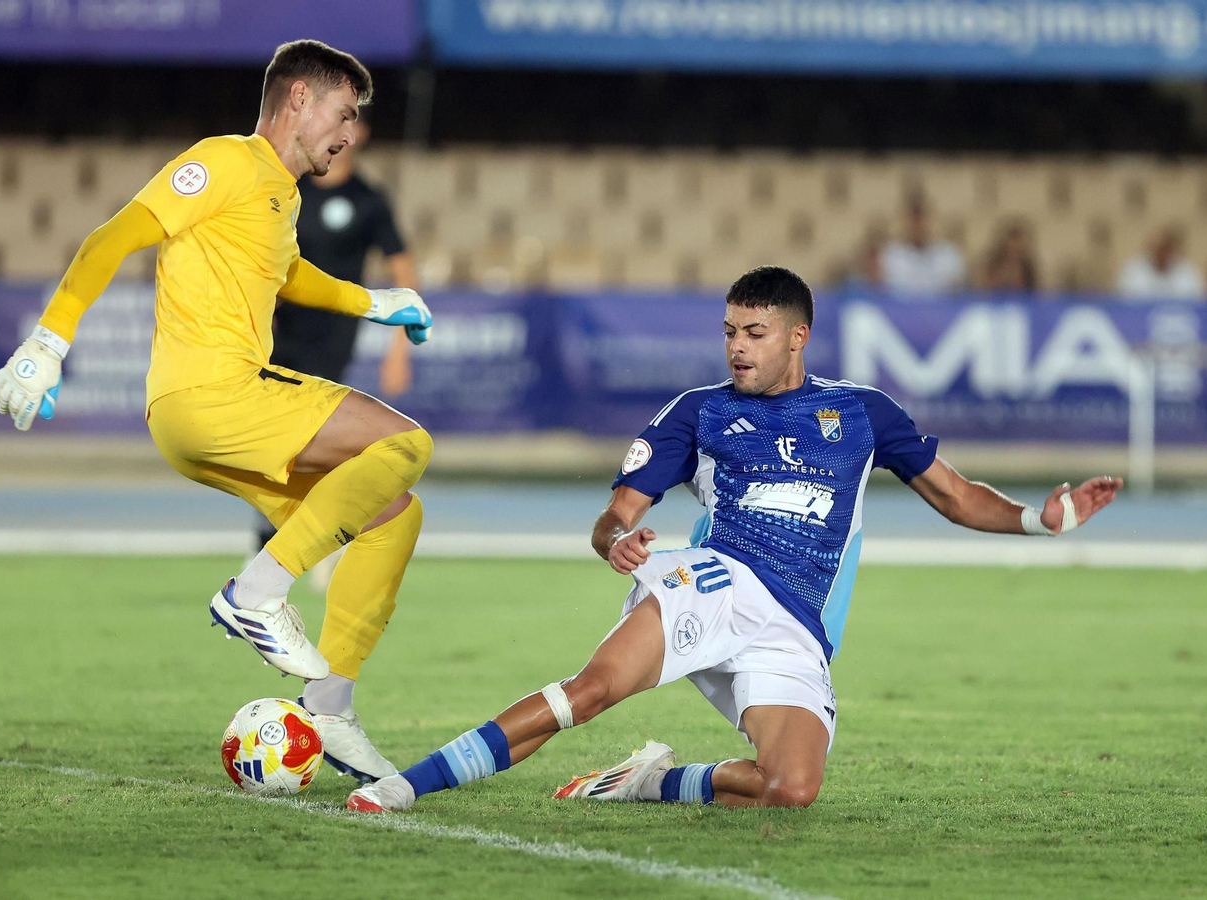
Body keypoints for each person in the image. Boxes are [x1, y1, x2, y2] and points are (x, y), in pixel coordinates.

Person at [348, 266, 1123, 813]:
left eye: (755, 332)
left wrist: (1038, 519)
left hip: (794, 626)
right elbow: (617, 511)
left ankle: (643, 784)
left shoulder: (862, 413)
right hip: (713, 580)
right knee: (590, 692)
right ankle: (402, 787)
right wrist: (615, 540)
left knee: (791, 789)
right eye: (729, 332)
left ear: (798, 337)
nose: (738, 348)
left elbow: (955, 497)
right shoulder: (700, 411)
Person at [0, 40, 434, 785]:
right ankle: (255, 591)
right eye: (345, 113)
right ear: (298, 99)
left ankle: (329, 704)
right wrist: (47, 341)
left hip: (197, 425)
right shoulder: (226, 160)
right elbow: (114, 235)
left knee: (393, 512)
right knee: (406, 442)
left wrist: (374, 302)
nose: (350, 132)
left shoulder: (281, 193)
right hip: (215, 395)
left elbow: (287, 273)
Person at [257, 118, 417, 558]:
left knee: (317, 442)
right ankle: (268, 541)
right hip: (278, 334)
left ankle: (315, 540)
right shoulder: (291, 191)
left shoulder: (369, 200)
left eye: (354, 123)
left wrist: (399, 352)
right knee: (275, 441)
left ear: (362, 136)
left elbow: (402, 272)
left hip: (334, 340)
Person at [881, 194, 966, 297]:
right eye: (913, 219)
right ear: (904, 221)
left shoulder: (949, 256)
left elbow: (957, 295)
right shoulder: (889, 256)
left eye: (921, 218)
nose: (918, 225)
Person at [1117, 225, 1205, 301]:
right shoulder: (1134, 270)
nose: (1162, 253)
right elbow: (1125, 303)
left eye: (1166, 249)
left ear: (1173, 249)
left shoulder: (1187, 272)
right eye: (1159, 249)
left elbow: (1197, 302)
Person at [978, 220, 1038, 293]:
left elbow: (1035, 294)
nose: (1015, 247)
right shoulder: (992, 265)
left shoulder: (1028, 269)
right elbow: (983, 290)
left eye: (1018, 248)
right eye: (1011, 245)